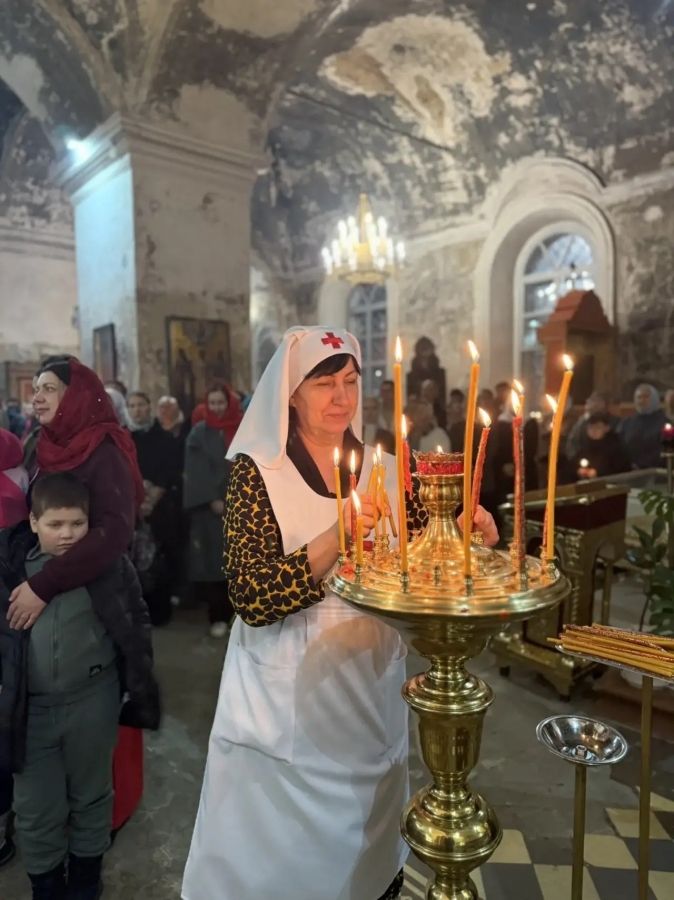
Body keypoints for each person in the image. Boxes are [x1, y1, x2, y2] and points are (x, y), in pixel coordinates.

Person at [182, 325, 498, 900]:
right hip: (285, 701)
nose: (341, 397)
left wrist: (466, 539)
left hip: (369, 695)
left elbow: (424, 566)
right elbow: (251, 596)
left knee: (366, 855)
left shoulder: (386, 467)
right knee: (284, 866)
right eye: (323, 383)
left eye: (350, 381)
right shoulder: (259, 472)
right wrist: (336, 537)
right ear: (292, 393)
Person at [12, 473, 157, 900]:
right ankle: (46, 884)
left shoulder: (108, 567)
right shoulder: (11, 570)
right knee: (36, 807)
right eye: (55, 524)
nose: (68, 535)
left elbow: (136, 619)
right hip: (30, 713)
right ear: (33, 522)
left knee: (92, 796)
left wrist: (135, 680)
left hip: (92, 702)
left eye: (77, 523)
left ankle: (85, 879)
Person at [183, 384, 242, 638]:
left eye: (221, 403)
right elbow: (195, 468)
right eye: (213, 403)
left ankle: (244, 616)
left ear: (230, 403)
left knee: (243, 563)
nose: (217, 408)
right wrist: (211, 499)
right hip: (212, 511)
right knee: (215, 564)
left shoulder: (244, 427)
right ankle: (218, 616)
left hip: (242, 507)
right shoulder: (199, 433)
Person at [128, 392, 184, 625]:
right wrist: (137, 497)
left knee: (160, 557)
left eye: (141, 405)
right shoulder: (123, 436)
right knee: (133, 559)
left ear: (148, 407)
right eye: (132, 406)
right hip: (131, 505)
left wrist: (152, 496)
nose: (136, 410)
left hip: (160, 506)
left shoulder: (163, 436)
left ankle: (160, 611)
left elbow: (171, 468)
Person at [619, 384, 668, 470]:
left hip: (656, 472)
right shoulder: (626, 423)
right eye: (639, 397)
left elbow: (666, 450)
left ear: (654, 399)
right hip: (629, 472)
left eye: (646, 397)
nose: (642, 401)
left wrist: (643, 465)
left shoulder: (665, 423)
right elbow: (618, 446)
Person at [565, 392, 619, 462]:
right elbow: (572, 443)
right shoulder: (581, 422)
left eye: (596, 400)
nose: (589, 402)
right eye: (590, 400)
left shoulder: (614, 422)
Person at [574, 413, 631, 479]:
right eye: (590, 427)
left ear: (607, 428)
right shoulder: (585, 447)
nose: (594, 430)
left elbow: (618, 468)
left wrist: (598, 473)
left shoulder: (616, 447)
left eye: (597, 427)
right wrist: (579, 471)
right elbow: (575, 463)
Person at [406, 337, 446, 411]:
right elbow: (411, 394)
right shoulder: (411, 375)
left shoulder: (439, 373)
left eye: (427, 349)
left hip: (436, 408)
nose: (424, 353)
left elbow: (442, 395)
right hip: (418, 409)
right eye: (422, 349)